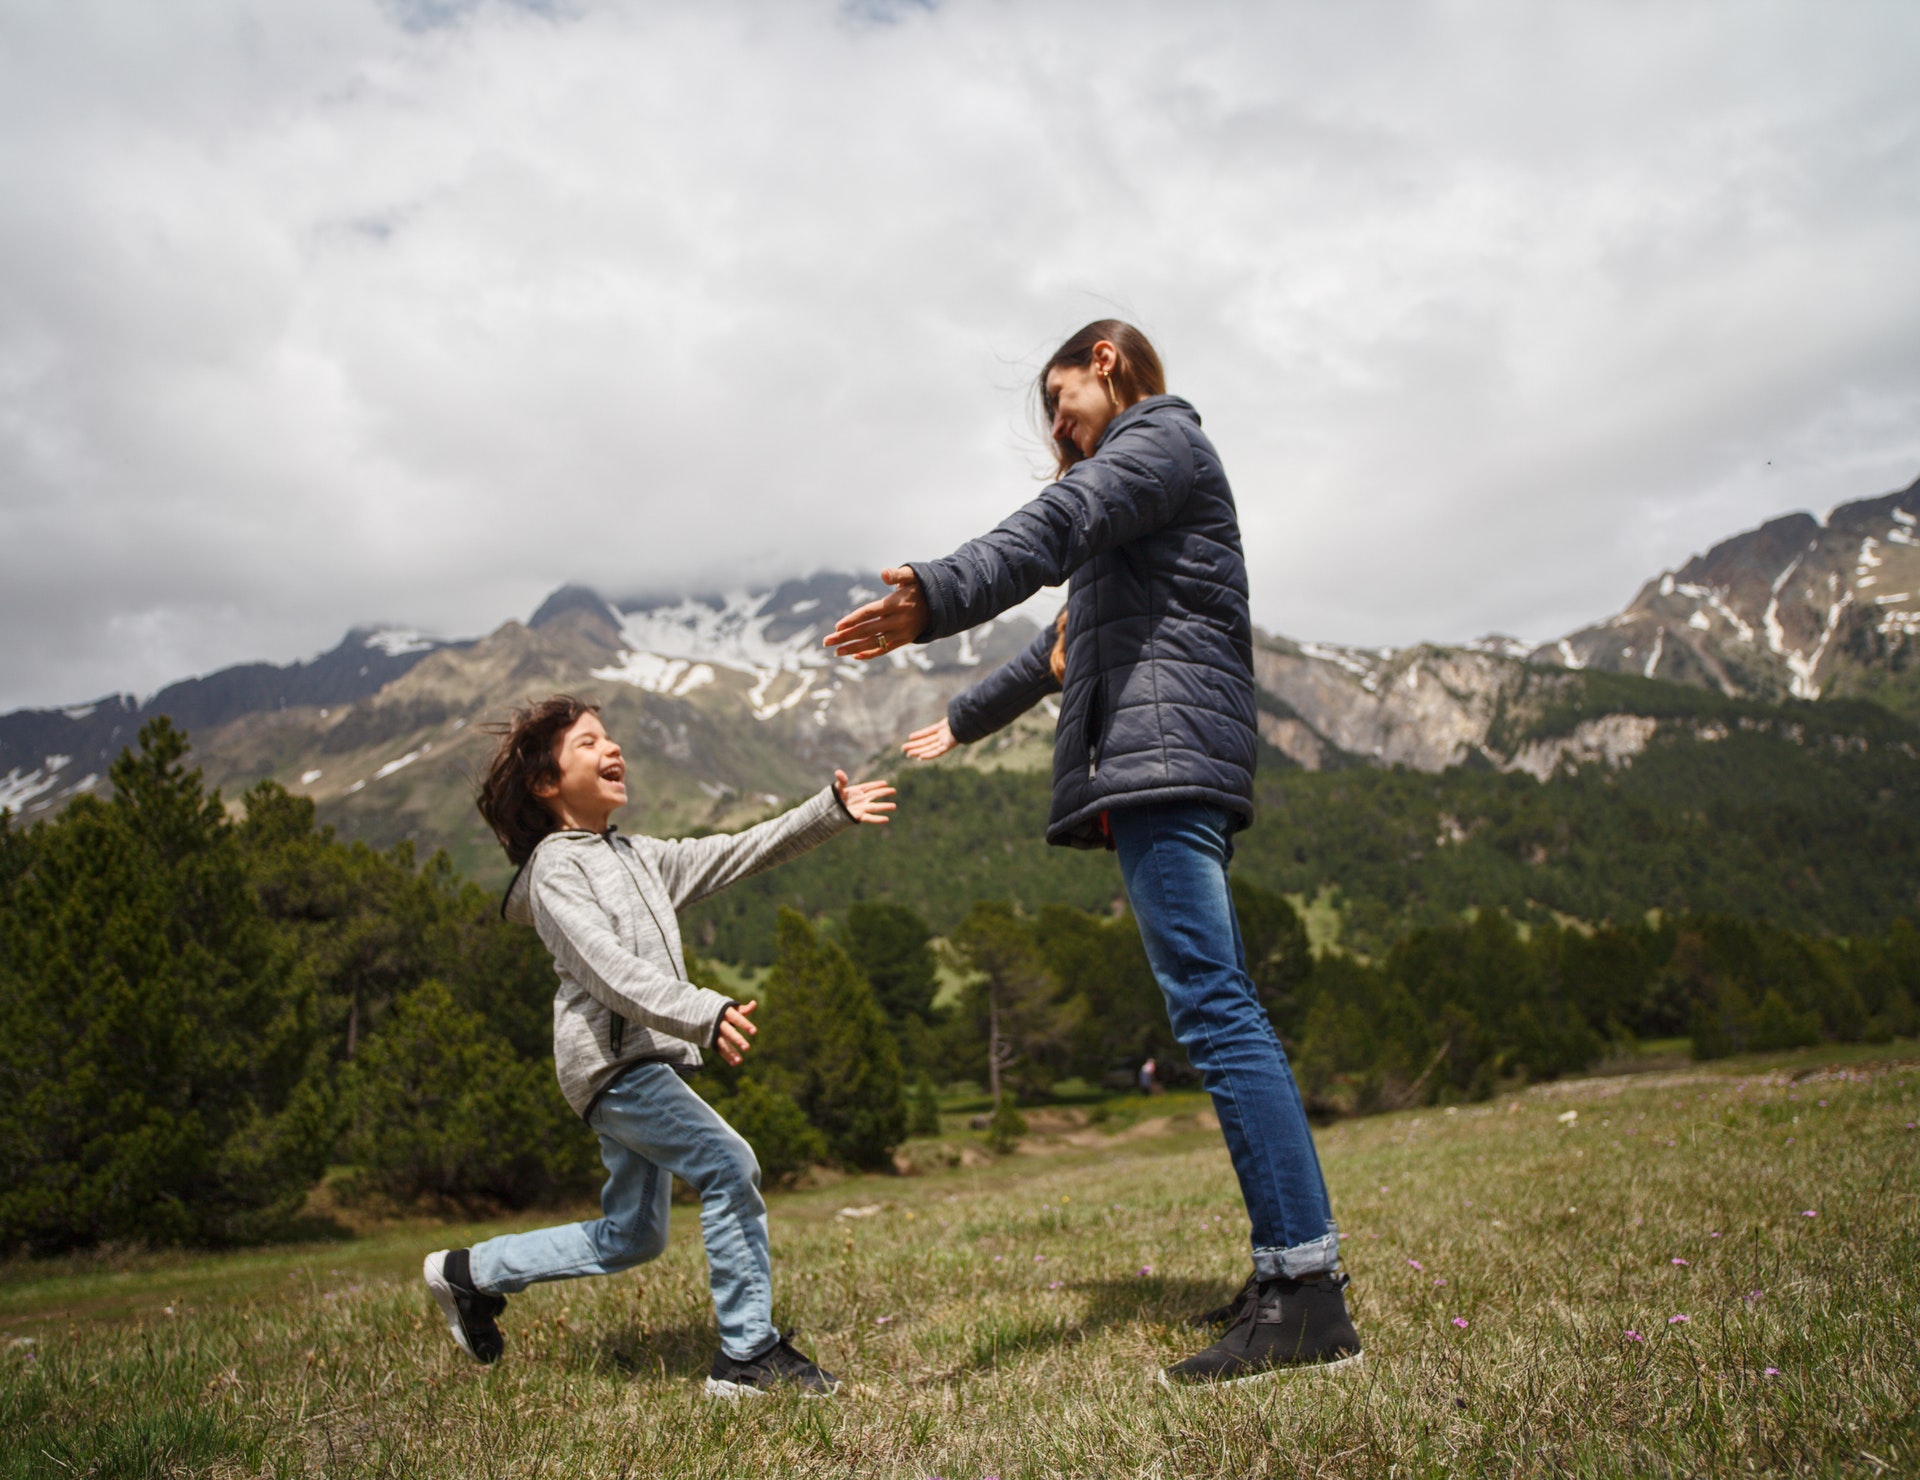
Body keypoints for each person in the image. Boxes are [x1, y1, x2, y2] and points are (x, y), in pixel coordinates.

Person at [825, 320, 1361, 1386]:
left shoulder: (1159, 442)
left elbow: (1056, 522)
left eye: (1058, 399)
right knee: (1214, 1005)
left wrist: (938, 591)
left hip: (1165, 760)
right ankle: (1286, 1271)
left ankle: (1306, 1289)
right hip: (1163, 757)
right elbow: (1060, 644)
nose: (1057, 428)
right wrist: (964, 719)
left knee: (1216, 1008)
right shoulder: (1140, 493)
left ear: (1104, 361)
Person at [422, 695, 895, 1399]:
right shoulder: (555, 871)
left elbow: (735, 852)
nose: (611, 748)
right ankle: (747, 1357)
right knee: (728, 1164)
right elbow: (608, 969)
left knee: (633, 1236)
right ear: (545, 783)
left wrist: (827, 812)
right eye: (588, 743)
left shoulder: (639, 856)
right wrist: (703, 1010)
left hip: (640, 1062)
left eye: (609, 738)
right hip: (614, 1067)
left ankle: (470, 1274)